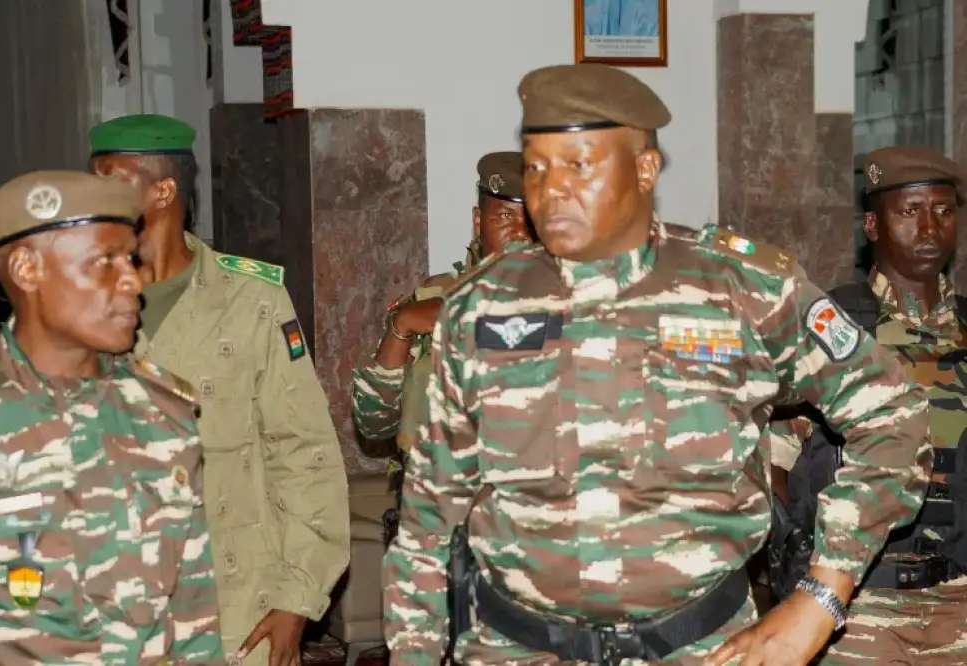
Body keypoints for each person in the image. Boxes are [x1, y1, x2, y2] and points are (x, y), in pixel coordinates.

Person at [382, 63, 934, 666]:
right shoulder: (482, 306)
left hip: (700, 649)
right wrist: (414, 653)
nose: (551, 190)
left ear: (645, 169)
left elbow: (894, 414)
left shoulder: (742, 289)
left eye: (578, 165)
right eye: (537, 167)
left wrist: (820, 599)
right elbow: (429, 516)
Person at [88, 114, 350, 666]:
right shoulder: (78, 303)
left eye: (110, 182)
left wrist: (297, 597)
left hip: (236, 610)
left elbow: (304, 454)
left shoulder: (251, 301)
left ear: (163, 192)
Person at [0, 170, 223, 664]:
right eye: (105, 261)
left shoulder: (163, 412)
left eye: (131, 259)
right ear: (26, 269)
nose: (133, 281)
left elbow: (194, 613)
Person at [768, 146, 967, 665]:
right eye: (910, 211)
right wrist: (797, 555)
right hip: (856, 606)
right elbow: (771, 462)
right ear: (873, 225)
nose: (929, 228)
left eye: (943, 211)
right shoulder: (831, 327)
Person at [351, 151, 532, 517]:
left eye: (533, 220)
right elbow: (374, 424)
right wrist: (401, 328)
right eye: (505, 216)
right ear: (478, 221)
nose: (519, 233)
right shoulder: (432, 299)